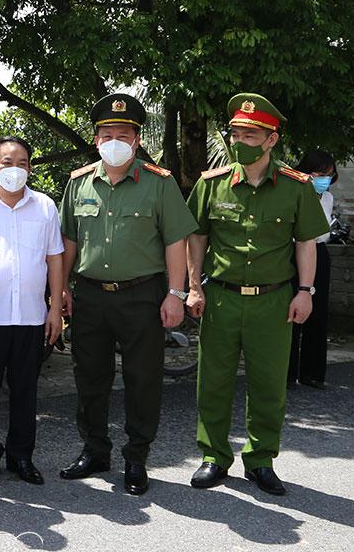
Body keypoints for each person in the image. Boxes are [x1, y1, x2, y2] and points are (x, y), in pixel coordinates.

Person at [186, 94, 330, 496]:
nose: (239, 141)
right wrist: (193, 288)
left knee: (268, 384)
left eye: (250, 134)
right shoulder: (210, 185)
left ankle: (261, 459)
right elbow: (196, 237)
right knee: (212, 381)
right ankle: (214, 456)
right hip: (222, 299)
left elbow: (306, 243)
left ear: (271, 140)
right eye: (235, 132)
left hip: (274, 299)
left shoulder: (295, 188)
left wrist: (306, 292)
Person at [57, 92, 198, 495]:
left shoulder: (159, 183)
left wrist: (176, 293)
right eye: (107, 132)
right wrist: (62, 289)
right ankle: (94, 449)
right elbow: (68, 241)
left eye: (124, 132)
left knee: (143, 378)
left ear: (136, 139)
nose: (114, 139)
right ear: (97, 139)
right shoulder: (78, 184)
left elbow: (176, 241)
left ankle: (136, 457)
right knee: (90, 376)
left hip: (143, 296)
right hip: (89, 296)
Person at [0, 136, 64, 486]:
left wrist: (55, 307)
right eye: (7, 162)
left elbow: (54, 257)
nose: (15, 169)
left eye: (22, 163)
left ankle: (21, 456)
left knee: (26, 390)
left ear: (30, 169)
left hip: (31, 316)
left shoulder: (45, 207)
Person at [287, 150, 338, 390]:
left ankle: (313, 372)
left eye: (329, 175)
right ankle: (287, 372)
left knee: (318, 312)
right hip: (294, 252)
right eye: (319, 174)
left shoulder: (327, 198)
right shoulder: (292, 194)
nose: (324, 179)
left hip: (320, 253)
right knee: (291, 311)